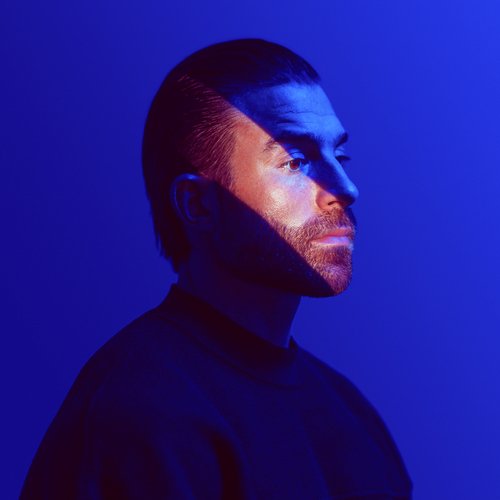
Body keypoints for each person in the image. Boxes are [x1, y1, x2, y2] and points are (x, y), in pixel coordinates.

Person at [21, 39, 413, 499]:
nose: (345, 188)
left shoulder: (353, 418)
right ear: (198, 204)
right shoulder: (138, 415)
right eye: (295, 162)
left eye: (339, 157)